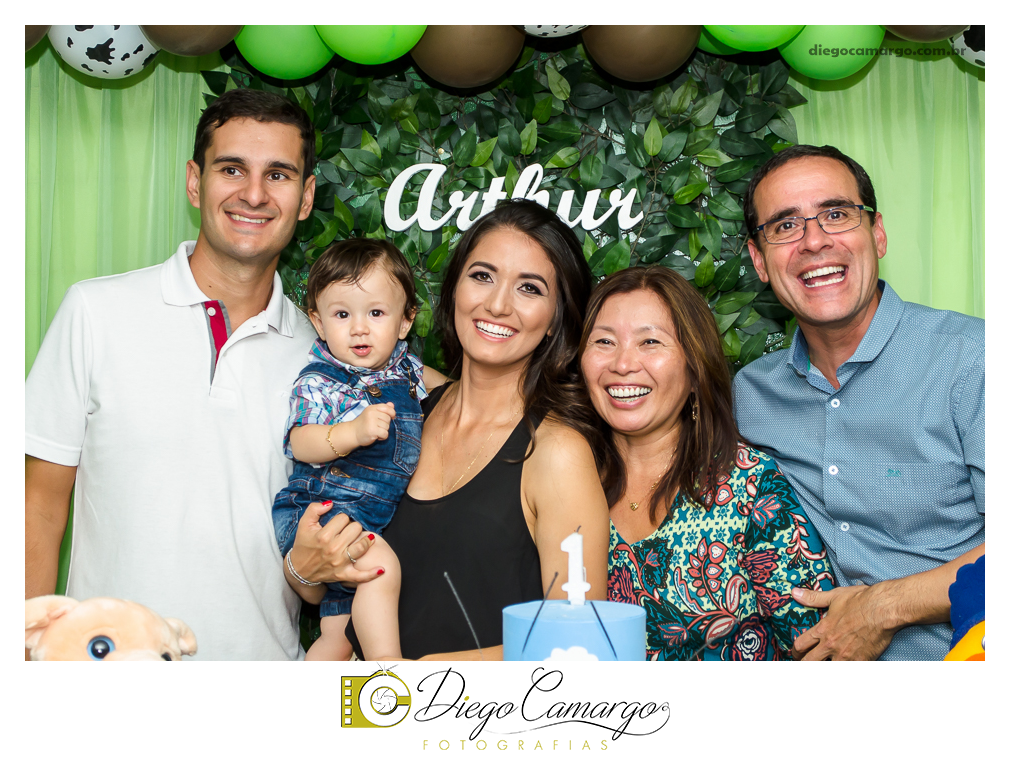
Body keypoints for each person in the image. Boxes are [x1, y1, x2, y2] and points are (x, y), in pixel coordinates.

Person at [25, 89, 380, 661]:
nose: (255, 194)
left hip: (257, 696)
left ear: (307, 196)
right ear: (195, 182)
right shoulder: (95, 312)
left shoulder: (326, 362)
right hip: (106, 683)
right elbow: (36, 507)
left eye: (280, 174)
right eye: (232, 168)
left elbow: (314, 561)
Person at [733, 144, 985, 660]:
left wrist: (881, 607)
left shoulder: (974, 360)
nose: (814, 241)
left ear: (878, 233)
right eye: (784, 226)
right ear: (760, 261)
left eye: (836, 214)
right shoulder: (751, 395)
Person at [345, 199, 610, 660]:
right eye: (482, 276)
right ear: (453, 291)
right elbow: (328, 587)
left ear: (554, 322)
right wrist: (305, 564)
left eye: (529, 288)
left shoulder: (557, 451)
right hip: (374, 716)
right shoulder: (402, 417)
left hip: (484, 727)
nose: (497, 304)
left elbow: (579, 641)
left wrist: (420, 677)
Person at [581, 266, 835, 660]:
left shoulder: (752, 490)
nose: (623, 364)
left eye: (650, 341)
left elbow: (820, 653)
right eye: (604, 342)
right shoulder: (565, 482)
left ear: (694, 365)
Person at [272, 239, 445, 661]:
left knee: (338, 638)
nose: (359, 328)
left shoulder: (405, 368)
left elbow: (458, 394)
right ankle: (390, 669)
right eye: (342, 314)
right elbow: (300, 441)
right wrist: (350, 432)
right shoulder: (323, 379)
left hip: (367, 516)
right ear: (318, 321)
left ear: (405, 322)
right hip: (322, 511)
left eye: (376, 313)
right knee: (382, 572)